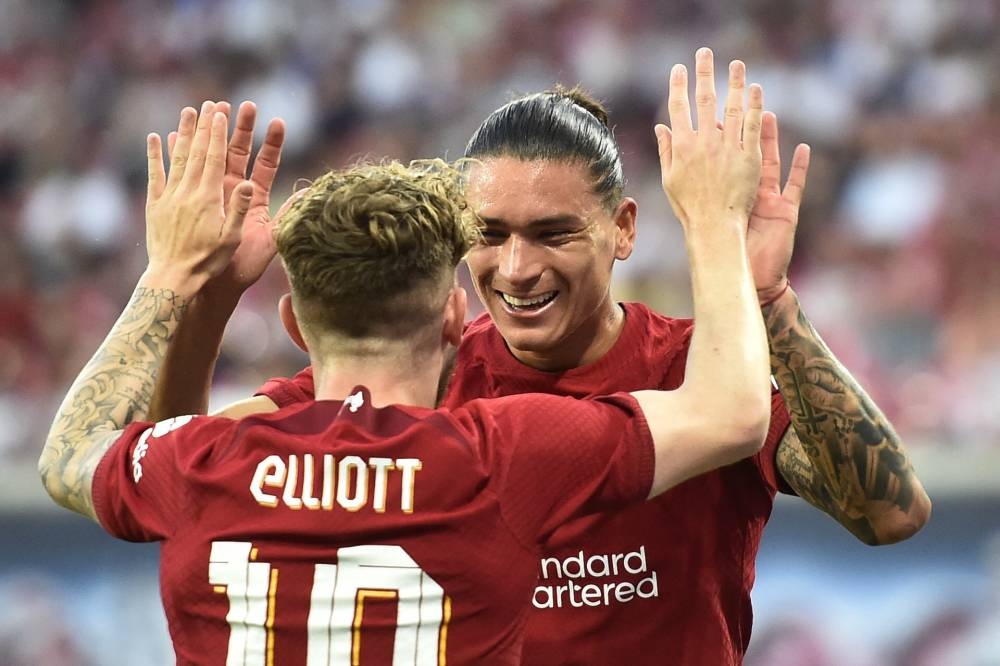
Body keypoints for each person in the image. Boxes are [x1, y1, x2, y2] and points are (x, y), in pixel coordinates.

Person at [150, 49, 932, 664]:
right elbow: (181, 468)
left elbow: (890, 512)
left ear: (623, 229)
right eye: (490, 236)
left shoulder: (703, 371)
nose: (517, 269)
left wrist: (769, 303)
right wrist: (196, 291)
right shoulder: (417, 370)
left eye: (553, 233)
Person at [39, 61, 774, 663]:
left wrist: (176, 276)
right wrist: (715, 217)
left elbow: (79, 454)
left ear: (293, 323)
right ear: (457, 318)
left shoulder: (211, 462)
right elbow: (736, 412)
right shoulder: (500, 457)